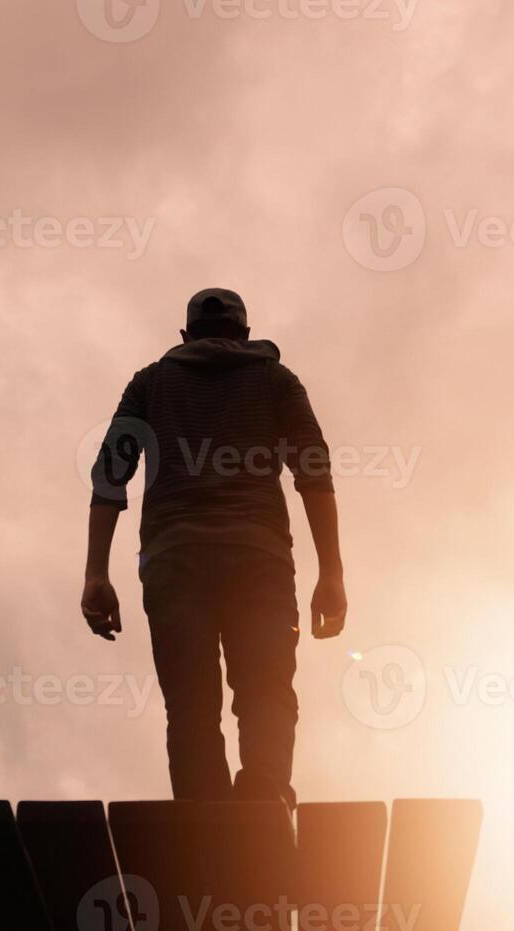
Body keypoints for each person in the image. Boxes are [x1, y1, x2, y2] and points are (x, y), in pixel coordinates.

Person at [81, 287, 346, 810]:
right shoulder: (275, 379)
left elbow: (110, 471)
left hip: (174, 559)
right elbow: (314, 470)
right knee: (266, 689)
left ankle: (203, 822)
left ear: (184, 336)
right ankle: (264, 794)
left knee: (190, 706)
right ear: (245, 335)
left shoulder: (151, 382)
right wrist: (331, 573)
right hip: (259, 556)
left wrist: (96, 572)